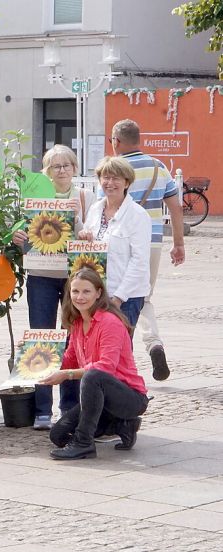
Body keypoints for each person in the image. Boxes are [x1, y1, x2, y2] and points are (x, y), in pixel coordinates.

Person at [12, 145, 97, 429]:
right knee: (42, 338)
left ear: (74, 168)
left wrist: (80, 224)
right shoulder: (34, 198)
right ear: (46, 172)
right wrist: (18, 234)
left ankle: (70, 407)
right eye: (54, 166)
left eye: (66, 165)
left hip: (75, 277)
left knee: (74, 339)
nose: (61, 170)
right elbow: (20, 230)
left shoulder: (85, 197)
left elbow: (92, 234)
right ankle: (42, 409)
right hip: (41, 273)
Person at [108, 119, 185, 381]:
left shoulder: (113, 171)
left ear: (117, 141)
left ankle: (120, 356)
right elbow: (176, 208)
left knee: (118, 295)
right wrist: (178, 243)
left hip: (118, 242)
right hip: (151, 241)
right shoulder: (158, 167)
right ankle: (153, 344)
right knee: (143, 296)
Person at [43, 269, 148, 460]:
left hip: (129, 397)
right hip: (99, 397)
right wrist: (36, 353)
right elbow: (69, 359)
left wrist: (67, 374)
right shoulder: (76, 323)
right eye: (75, 292)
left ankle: (84, 444)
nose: (80, 297)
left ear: (98, 293)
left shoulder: (110, 322)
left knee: (93, 376)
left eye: (86, 291)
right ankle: (122, 426)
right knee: (58, 435)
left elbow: (105, 367)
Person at [79, 157, 150, 329]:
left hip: (127, 297)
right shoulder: (95, 209)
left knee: (119, 347)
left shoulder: (137, 215)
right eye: (106, 177)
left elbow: (139, 261)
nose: (110, 183)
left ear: (126, 183)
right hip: (97, 293)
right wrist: (84, 237)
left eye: (116, 178)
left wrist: (119, 298)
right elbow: (89, 250)